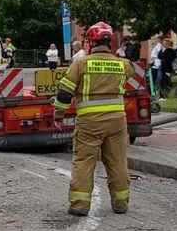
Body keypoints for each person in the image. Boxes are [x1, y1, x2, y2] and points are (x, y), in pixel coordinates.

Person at [53, 21, 137, 217]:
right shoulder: (122, 64)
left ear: (90, 42)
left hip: (89, 122)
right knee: (117, 162)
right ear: (110, 43)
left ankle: (80, 205)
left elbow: (65, 92)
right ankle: (120, 202)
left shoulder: (81, 63)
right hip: (117, 121)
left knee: (84, 161)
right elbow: (131, 73)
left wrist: (59, 113)